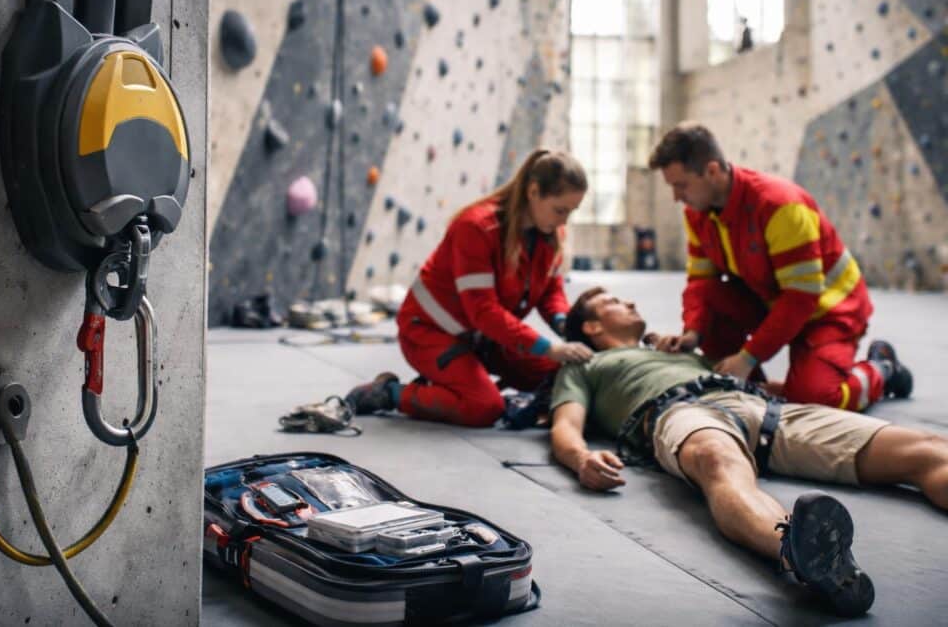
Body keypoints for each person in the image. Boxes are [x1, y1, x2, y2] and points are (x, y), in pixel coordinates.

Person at [550, 287, 948, 617]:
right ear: (592, 326)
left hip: (761, 405)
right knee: (717, 462)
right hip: (681, 413)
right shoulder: (586, 366)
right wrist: (582, 458)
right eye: (614, 303)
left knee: (929, 449)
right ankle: (805, 554)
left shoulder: (678, 350)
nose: (632, 303)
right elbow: (566, 426)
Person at [648, 123, 911, 412]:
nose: (676, 197)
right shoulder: (698, 213)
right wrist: (692, 332)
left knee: (817, 401)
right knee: (712, 299)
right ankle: (752, 391)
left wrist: (748, 358)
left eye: (680, 185)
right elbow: (701, 282)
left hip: (829, 309)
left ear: (711, 171)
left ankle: (882, 369)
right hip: (772, 300)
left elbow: (801, 297)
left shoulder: (780, 206)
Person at [344, 149, 593, 426]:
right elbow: (483, 311)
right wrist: (548, 347)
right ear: (533, 192)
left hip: (485, 338)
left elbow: (549, 291)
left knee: (562, 375)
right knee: (484, 406)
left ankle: (457, 382)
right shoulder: (476, 227)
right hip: (429, 333)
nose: (565, 221)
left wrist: (565, 324)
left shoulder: (551, 233)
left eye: (572, 212)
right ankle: (390, 393)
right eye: (560, 210)